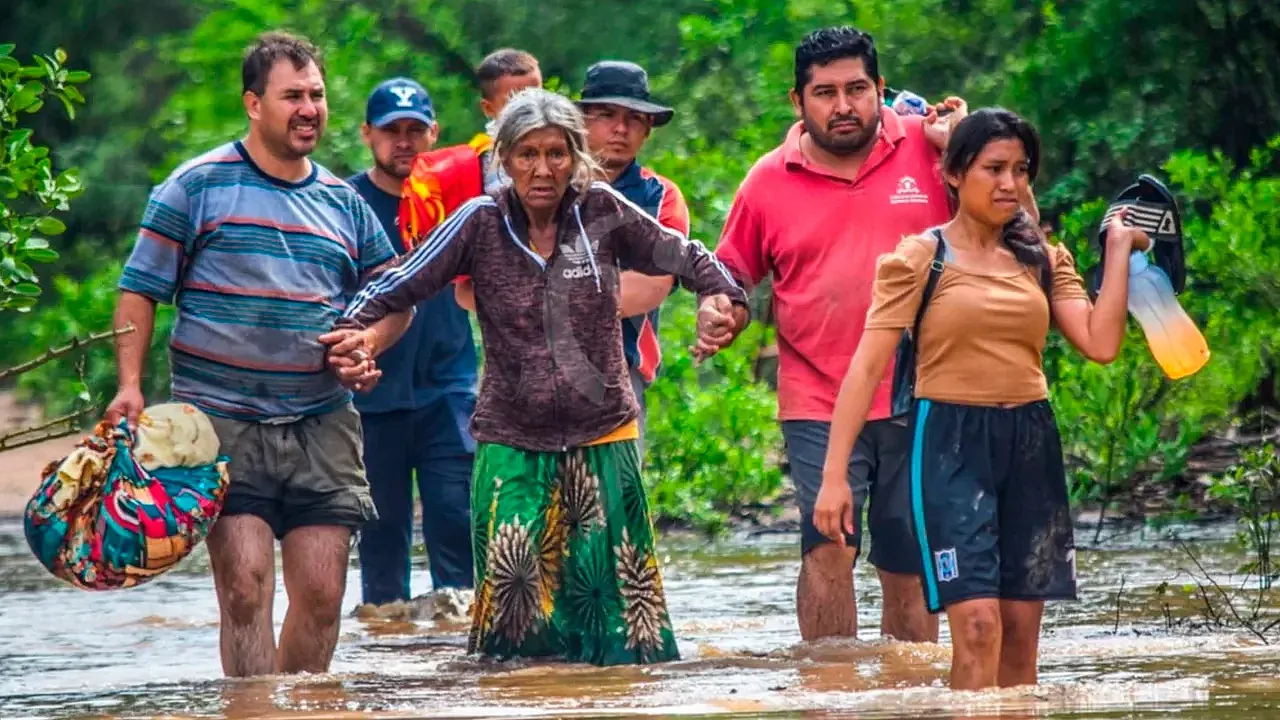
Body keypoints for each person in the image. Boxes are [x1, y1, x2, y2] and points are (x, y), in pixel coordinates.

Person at [319, 88, 749, 666]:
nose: (542, 169)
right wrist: (352, 331)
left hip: (603, 436)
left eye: (556, 153)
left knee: (621, 622)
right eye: (526, 154)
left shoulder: (602, 211)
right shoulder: (480, 221)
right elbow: (400, 282)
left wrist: (723, 300)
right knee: (511, 626)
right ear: (504, 159)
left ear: (576, 157)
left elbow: (690, 258)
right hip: (511, 441)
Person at [815, 108, 1149, 690]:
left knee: (1020, 637)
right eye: (993, 169)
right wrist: (834, 477)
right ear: (953, 173)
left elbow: (1100, 342)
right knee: (976, 628)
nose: (1009, 184)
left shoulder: (1042, 258)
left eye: (1020, 171)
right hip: (947, 445)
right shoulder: (920, 258)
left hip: (1030, 444)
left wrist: (1117, 249)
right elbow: (866, 370)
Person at [105, 31, 405, 677]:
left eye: (317, 95)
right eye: (292, 95)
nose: (309, 109)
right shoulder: (194, 186)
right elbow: (139, 290)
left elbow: (395, 295)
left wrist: (368, 342)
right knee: (245, 592)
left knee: (323, 598)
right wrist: (130, 386)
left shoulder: (343, 202)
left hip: (322, 422)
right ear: (253, 103)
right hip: (220, 424)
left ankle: (299, 710)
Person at [714, 26, 962, 643]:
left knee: (905, 558)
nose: (843, 105)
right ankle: (831, 693)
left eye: (856, 88)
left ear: (881, 89)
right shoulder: (767, 180)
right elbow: (731, 276)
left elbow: (1008, 223)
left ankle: (906, 698)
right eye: (824, 92)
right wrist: (721, 312)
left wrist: (963, 143)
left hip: (922, 390)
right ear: (798, 102)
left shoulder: (933, 153)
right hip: (818, 398)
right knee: (829, 544)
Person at [347, 77, 479, 606]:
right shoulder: (346, 202)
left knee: (457, 522)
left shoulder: (462, 200)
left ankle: (458, 670)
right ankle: (384, 664)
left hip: (449, 386)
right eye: (391, 131)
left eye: (416, 130)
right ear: (367, 135)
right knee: (380, 538)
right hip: (372, 395)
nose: (404, 142)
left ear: (434, 134)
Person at [576, 60, 687, 453]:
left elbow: (650, 285)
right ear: (581, 121)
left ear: (647, 129)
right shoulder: (544, 184)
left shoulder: (660, 197)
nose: (620, 129)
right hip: (529, 368)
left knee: (614, 505)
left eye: (634, 118)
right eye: (606, 115)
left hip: (620, 372)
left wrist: (547, 301)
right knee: (533, 507)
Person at [398, 49, 543, 310]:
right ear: (488, 108)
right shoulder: (487, 165)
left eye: (536, 96)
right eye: (515, 101)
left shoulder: (567, 148)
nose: (528, 110)